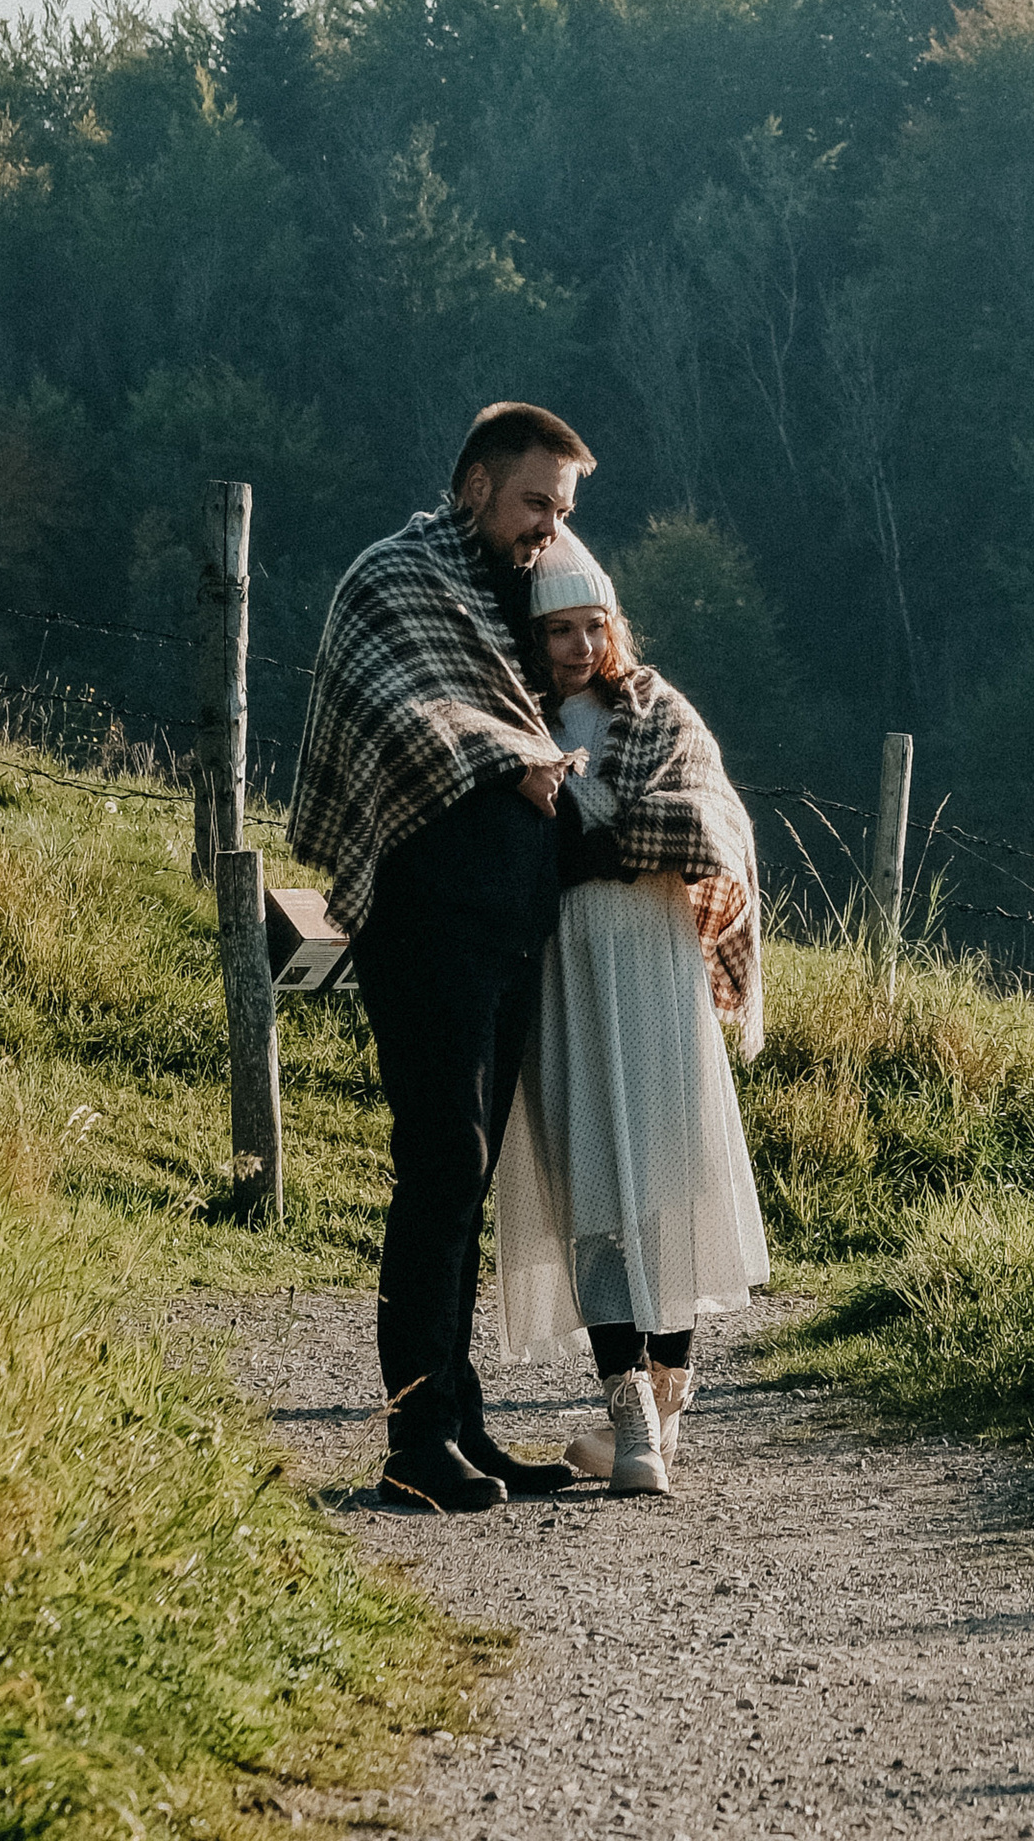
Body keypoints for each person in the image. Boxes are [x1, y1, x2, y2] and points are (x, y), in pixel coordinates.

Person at [292, 399, 597, 1514]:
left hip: (508, 921)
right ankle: (413, 1441)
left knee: (468, 1170)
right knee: (440, 1159)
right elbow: (414, 713)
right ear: (475, 482)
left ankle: (462, 1422)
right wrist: (518, 754)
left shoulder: (516, 598)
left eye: (561, 512)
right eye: (533, 503)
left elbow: (579, 686)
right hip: (423, 919)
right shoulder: (394, 575)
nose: (546, 529)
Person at [492, 535, 769, 1499]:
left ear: (614, 624)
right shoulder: (512, 712)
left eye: (590, 625)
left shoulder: (657, 711)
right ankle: (632, 1420)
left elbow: (703, 820)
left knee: (665, 1179)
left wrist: (595, 837)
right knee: (595, 1191)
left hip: (651, 954)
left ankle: (658, 1417)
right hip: (565, 959)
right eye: (556, 628)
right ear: (532, 634)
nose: (575, 644)